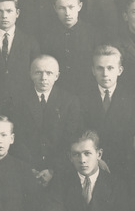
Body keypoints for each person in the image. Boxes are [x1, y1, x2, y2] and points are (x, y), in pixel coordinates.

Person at [8, 55, 84, 186]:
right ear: (30, 74)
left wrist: (52, 170)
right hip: (26, 168)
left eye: (49, 73)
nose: (43, 78)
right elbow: (16, 138)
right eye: (38, 72)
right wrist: (29, 169)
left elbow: (70, 139)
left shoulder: (70, 101)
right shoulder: (17, 101)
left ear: (57, 76)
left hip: (59, 170)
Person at [80, 45, 135, 176]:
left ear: (120, 70)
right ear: (93, 70)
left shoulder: (132, 98)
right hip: (91, 165)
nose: (105, 74)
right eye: (100, 68)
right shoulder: (82, 98)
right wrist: (96, 160)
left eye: (110, 68)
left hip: (124, 166)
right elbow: (80, 134)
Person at [0, 0, 41, 97]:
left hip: (22, 99)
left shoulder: (30, 42)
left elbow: (36, 73)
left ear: (17, 13)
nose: (4, 16)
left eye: (9, 11)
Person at [40, 0, 99, 92]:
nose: (67, 13)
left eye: (71, 7)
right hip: (57, 91)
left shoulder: (93, 34)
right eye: (62, 8)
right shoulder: (47, 35)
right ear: (55, 8)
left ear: (79, 6)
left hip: (86, 90)